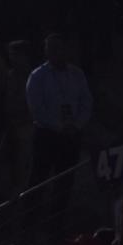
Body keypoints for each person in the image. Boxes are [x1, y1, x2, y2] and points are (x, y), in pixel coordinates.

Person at [25, 33, 92, 182]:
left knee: (65, 179)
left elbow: (86, 102)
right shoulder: (37, 76)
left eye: (57, 48)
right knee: (38, 178)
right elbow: (37, 110)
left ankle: (60, 205)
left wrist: (77, 125)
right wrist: (59, 126)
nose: (53, 52)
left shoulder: (77, 74)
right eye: (49, 48)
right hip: (47, 135)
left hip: (72, 135)